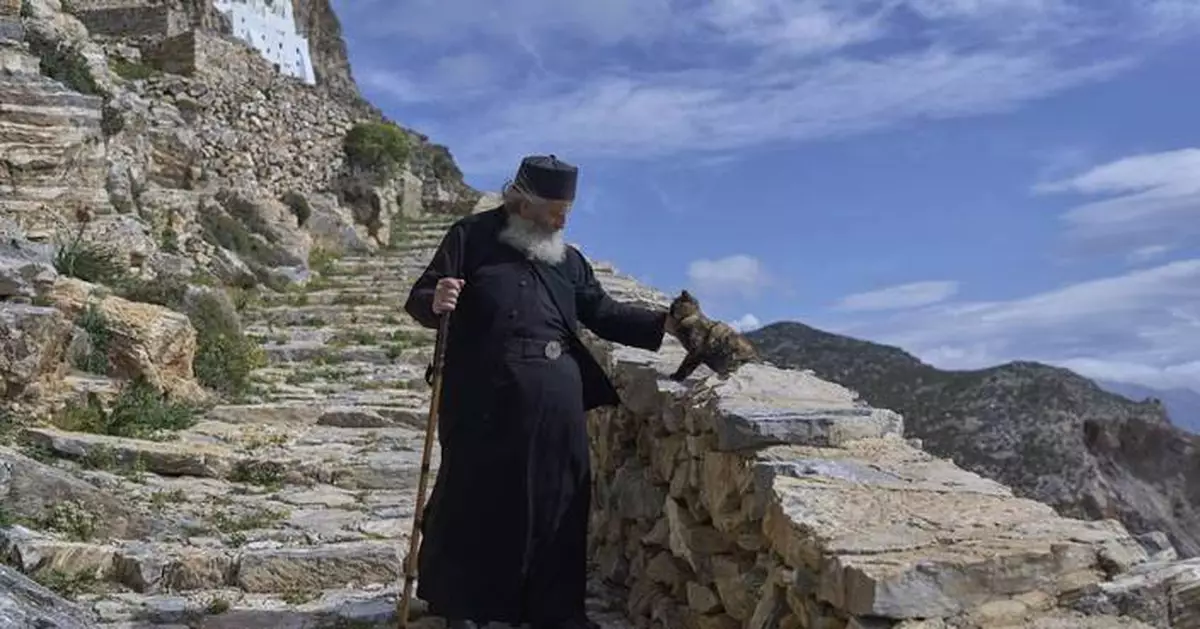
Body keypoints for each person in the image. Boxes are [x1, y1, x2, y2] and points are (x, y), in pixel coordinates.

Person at [403, 155, 673, 629]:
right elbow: (423, 296)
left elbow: (602, 312)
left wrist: (668, 322)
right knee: (474, 496)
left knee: (559, 499)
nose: (562, 220)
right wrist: (436, 298)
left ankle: (554, 610)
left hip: (556, 396)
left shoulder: (568, 261)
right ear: (522, 202)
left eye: (567, 209)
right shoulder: (471, 237)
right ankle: (466, 608)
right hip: (482, 394)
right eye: (554, 209)